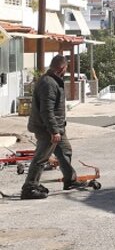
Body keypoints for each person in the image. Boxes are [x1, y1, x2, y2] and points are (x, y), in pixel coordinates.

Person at [21, 56, 82, 200]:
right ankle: (29, 188)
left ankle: (70, 180)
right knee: (42, 157)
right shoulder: (48, 83)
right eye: (66, 68)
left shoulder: (54, 81)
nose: (66, 71)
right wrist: (53, 131)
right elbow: (46, 110)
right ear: (62, 68)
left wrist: (58, 129)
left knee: (65, 151)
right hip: (46, 129)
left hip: (57, 127)